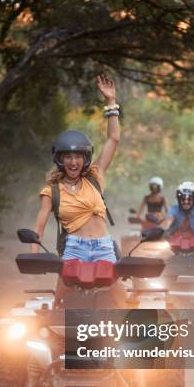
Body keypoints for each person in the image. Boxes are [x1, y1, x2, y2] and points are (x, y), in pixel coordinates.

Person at [32, 74, 125, 306]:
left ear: (85, 159)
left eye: (78, 156)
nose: (73, 162)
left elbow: (113, 139)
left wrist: (111, 103)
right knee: (59, 304)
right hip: (74, 249)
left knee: (122, 301)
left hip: (103, 247)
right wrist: (34, 253)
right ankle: (52, 341)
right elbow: (39, 227)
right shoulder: (51, 191)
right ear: (60, 159)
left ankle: (130, 340)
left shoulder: (95, 177)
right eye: (68, 156)